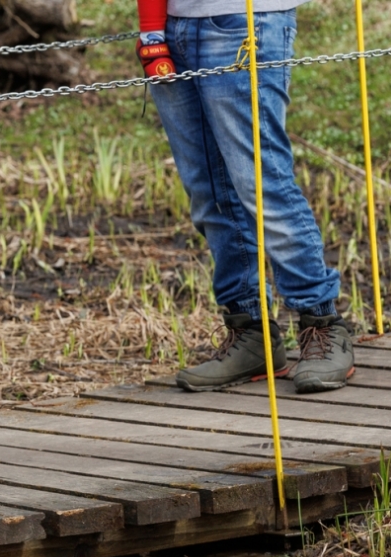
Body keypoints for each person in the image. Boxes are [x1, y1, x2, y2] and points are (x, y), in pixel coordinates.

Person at [137, 0, 356, 393]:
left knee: (260, 182)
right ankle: (250, 331)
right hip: (173, 28)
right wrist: (150, 29)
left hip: (245, 20)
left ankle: (321, 325)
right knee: (208, 192)